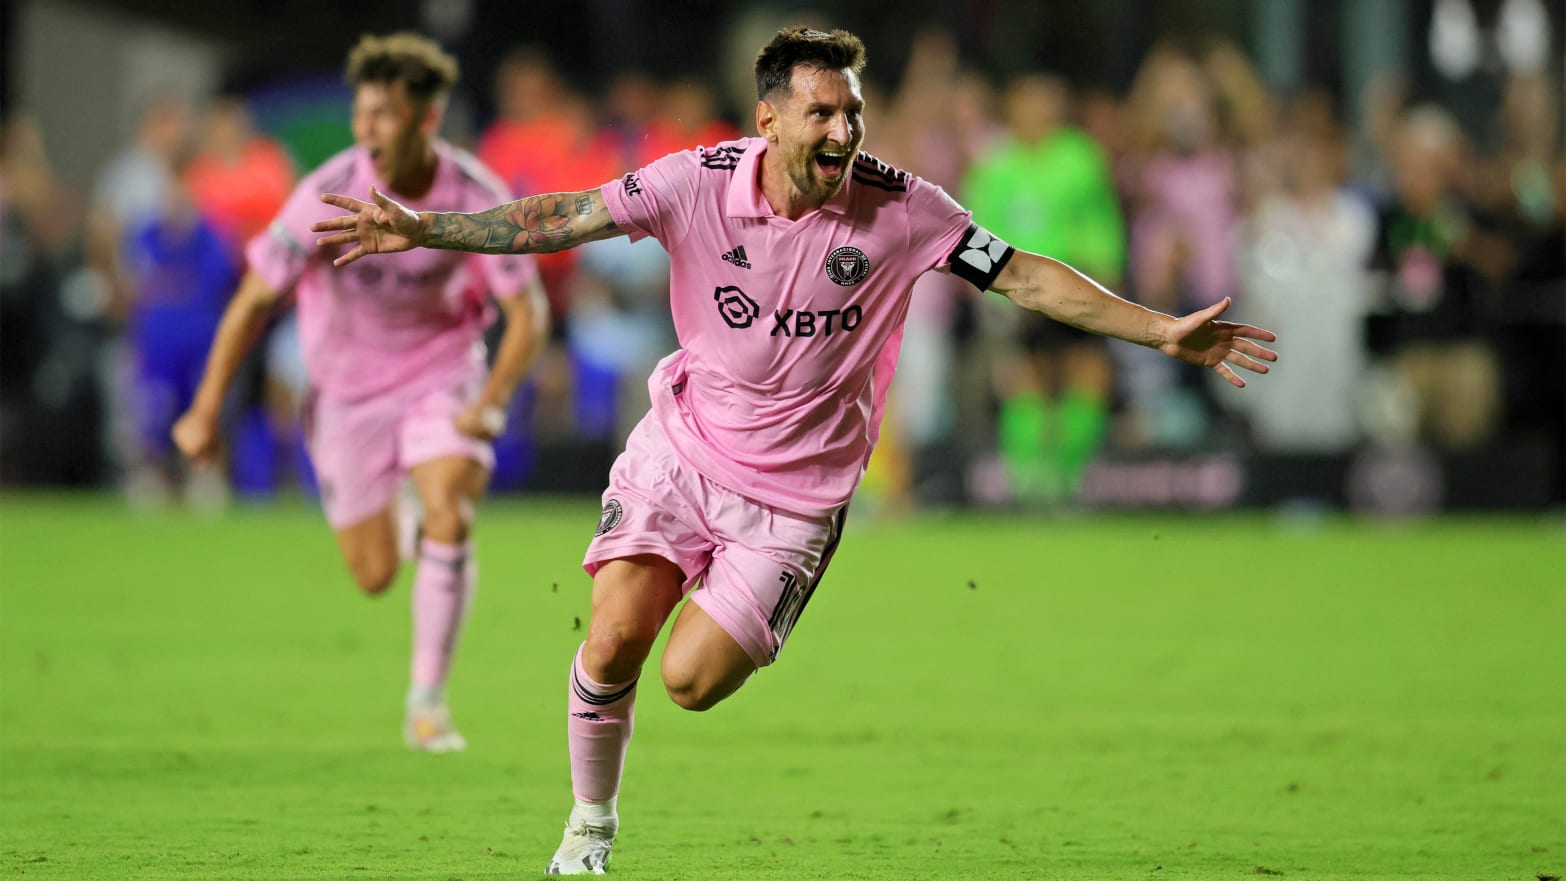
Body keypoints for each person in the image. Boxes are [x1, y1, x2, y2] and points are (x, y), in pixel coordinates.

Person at [311, 27, 1276, 872]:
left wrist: (1159, 332)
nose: (843, 133)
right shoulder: (692, 185)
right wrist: (426, 229)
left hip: (795, 500)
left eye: (851, 112)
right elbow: (556, 217)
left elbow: (1022, 277)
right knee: (610, 641)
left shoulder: (905, 210)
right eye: (821, 113)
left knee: (687, 681)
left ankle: (714, 614)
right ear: (767, 120)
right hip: (682, 451)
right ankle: (589, 827)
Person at [172, 33, 550, 752]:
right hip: (346, 393)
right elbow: (255, 299)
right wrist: (205, 406)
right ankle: (408, 517)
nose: (365, 129)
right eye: (362, 113)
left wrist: (493, 398)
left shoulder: (472, 195)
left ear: (425, 120)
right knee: (374, 574)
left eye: (383, 114)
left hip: (443, 371)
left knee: (451, 507)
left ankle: (427, 703)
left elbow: (528, 310)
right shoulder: (324, 192)